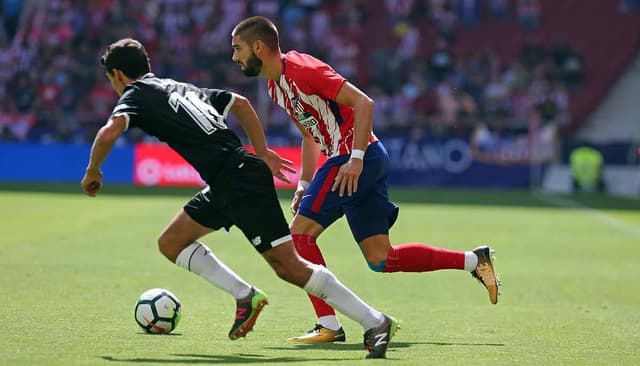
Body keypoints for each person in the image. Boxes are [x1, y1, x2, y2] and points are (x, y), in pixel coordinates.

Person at [81, 38, 397, 359]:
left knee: (289, 266)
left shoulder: (135, 95)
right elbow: (240, 103)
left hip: (237, 179)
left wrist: (93, 171)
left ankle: (375, 321)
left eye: (111, 80)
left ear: (118, 75)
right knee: (172, 242)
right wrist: (262, 152)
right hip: (229, 178)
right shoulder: (177, 87)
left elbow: (108, 132)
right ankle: (245, 295)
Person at [231, 16, 501, 343]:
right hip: (354, 160)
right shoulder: (276, 87)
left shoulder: (303, 70)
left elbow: (364, 102)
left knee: (299, 237)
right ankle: (475, 260)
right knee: (382, 259)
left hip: (355, 158)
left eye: (238, 48)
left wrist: (355, 159)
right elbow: (309, 135)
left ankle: (328, 324)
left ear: (259, 47)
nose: (235, 57)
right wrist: (304, 183)